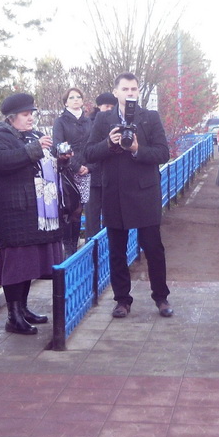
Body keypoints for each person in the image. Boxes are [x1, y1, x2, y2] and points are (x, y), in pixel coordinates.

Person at [85, 72, 172, 319]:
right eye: (125, 89)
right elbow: (89, 153)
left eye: (134, 89)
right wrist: (108, 144)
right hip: (114, 193)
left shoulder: (150, 117)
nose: (130, 93)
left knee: (153, 248)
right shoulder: (103, 119)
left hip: (145, 193)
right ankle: (122, 300)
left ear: (138, 92)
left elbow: (163, 153)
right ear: (116, 92)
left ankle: (161, 297)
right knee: (117, 251)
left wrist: (136, 149)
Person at [0, 93, 61, 335]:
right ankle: (13, 316)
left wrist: (60, 158)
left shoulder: (30, 136)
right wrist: (33, 150)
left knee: (27, 263)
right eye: (25, 115)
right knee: (16, 264)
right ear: (11, 118)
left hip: (29, 210)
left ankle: (23, 309)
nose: (30, 119)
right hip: (11, 212)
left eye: (31, 114)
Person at [52, 87, 91, 256]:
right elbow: (58, 146)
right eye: (72, 97)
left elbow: (94, 144)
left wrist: (88, 167)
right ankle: (68, 250)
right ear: (66, 102)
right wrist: (75, 166)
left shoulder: (89, 121)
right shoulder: (60, 122)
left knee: (79, 210)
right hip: (68, 172)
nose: (76, 100)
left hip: (86, 172)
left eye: (78, 97)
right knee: (69, 210)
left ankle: (74, 248)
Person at [85, 91, 116, 234]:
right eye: (106, 106)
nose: (109, 109)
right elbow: (86, 149)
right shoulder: (89, 123)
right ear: (99, 106)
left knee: (111, 217)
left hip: (109, 177)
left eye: (112, 107)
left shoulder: (116, 123)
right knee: (92, 218)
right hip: (92, 176)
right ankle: (91, 244)